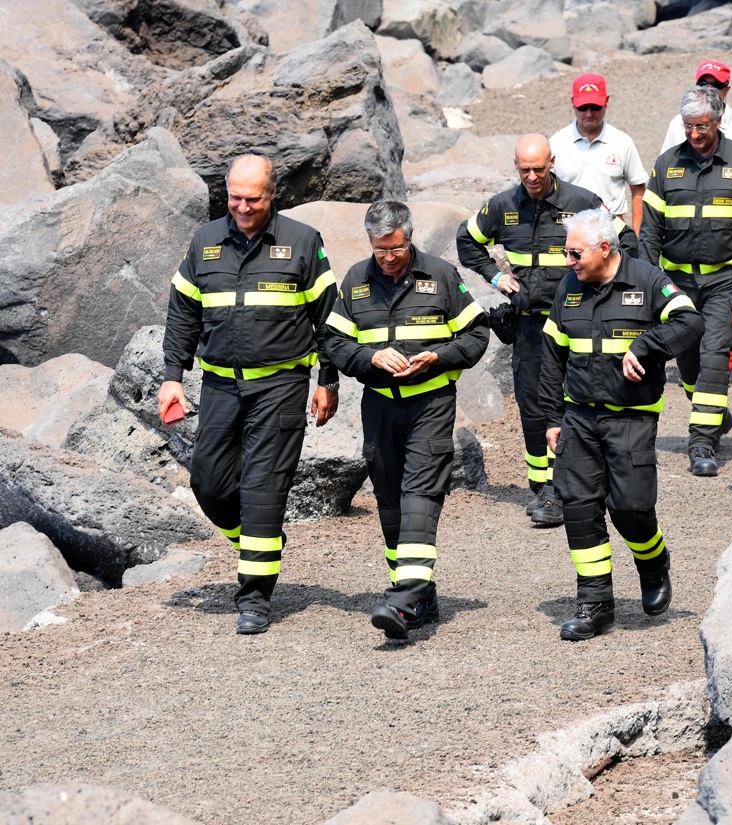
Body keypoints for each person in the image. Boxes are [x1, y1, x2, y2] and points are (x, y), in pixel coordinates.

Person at [158, 154, 338, 635]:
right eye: (234, 197)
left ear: (272, 194)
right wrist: (173, 375)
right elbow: (182, 315)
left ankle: (254, 598)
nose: (241, 206)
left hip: (280, 387)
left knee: (261, 489)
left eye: (252, 199)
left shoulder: (303, 242)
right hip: (219, 385)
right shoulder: (204, 241)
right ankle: (260, 544)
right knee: (209, 483)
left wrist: (328, 381)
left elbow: (330, 320)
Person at [326, 201, 488, 641]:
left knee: (420, 492)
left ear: (410, 236)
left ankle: (403, 597)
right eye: (381, 250)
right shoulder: (356, 280)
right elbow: (334, 343)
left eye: (396, 248)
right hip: (380, 408)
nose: (389, 257)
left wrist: (439, 357)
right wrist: (369, 356)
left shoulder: (440, 275)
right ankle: (423, 595)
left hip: (430, 405)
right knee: (391, 502)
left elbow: (476, 335)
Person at [456, 134, 638, 526]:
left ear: (552, 162)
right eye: (525, 170)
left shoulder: (581, 201)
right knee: (534, 407)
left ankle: (577, 483)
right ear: (515, 166)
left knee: (581, 400)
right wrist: (495, 276)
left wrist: (613, 298)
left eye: (540, 168)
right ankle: (545, 487)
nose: (533, 177)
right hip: (529, 326)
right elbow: (465, 240)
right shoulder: (503, 206)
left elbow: (626, 243)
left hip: (579, 321)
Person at [540, 209, 704, 640]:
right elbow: (551, 356)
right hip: (578, 417)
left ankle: (652, 564)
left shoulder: (649, 280)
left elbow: (691, 322)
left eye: (574, 252)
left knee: (630, 509)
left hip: (631, 417)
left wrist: (647, 346)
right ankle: (595, 603)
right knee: (578, 507)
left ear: (604, 248)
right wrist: (552, 419)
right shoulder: (568, 288)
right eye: (565, 251)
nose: (568, 259)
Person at [640, 86, 732, 477]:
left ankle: (702, 441)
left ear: (719, 121)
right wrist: (647, 283)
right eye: (688, 126)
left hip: (726, 280)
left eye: (702, 126)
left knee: (714, 355)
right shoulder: (665, 165)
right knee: (689, 368)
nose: (694, 134)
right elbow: (649, 234)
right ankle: (714, 413)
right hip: (676, 283)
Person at [549, 73, 649, 233]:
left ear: (607, 102)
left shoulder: (622, 142)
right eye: (583, 107)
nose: (589, 113)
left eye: (595, 106)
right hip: (569, 233)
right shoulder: (556, 143)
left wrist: (637, 235)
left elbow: (638, 189)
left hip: (612, 231)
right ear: (573, 103)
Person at [659, 60, 732, 153]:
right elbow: (664, 164)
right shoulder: (677, 124)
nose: (709, 89)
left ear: (727, 89)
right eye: (703, 84)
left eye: (716, 84)